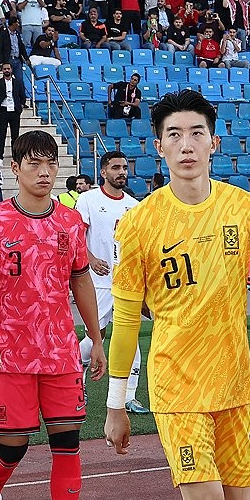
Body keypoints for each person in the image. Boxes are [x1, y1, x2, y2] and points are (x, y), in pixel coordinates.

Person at [104, 90, 250, 500]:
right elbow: (125, 318)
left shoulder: (246, 211)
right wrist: (118, 401)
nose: (187, 144)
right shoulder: (140, 222)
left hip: (235, 384)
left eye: (198, 132)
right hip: (176, 388)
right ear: (158, 145)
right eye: (175, 134)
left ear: (214, 142)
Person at [0, 131, 106, 500]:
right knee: (13, 446)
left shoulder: (69, 222)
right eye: (34, 164)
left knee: (68, 445)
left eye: (50, 164)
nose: (44, 173)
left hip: (61, 352)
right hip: (11, 353)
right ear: (15, 169)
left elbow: (80, 279)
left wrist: (95, 336)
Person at [75, 151, 147, 413]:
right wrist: (90, 258)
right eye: (116, 167)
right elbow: (77, 237)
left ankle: (129, 396)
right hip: (98, 281)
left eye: (125, 167)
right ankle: (75, 385)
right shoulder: (88, 200)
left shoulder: (134, 205)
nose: (122, 172)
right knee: (96, 336)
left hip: (126, 282)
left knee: (130, 335)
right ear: (103, 172)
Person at [0, 62, 27, 163]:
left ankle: (16, 157)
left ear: (11, 70)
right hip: (3, 110)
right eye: (5, 69)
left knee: (15, 135)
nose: (6, 70)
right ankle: (0, 157)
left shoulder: (18, 82)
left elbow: (23, 96)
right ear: (2, 70)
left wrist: (21, 106)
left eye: (8, 68)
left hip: (15, 111)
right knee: (1, 135)